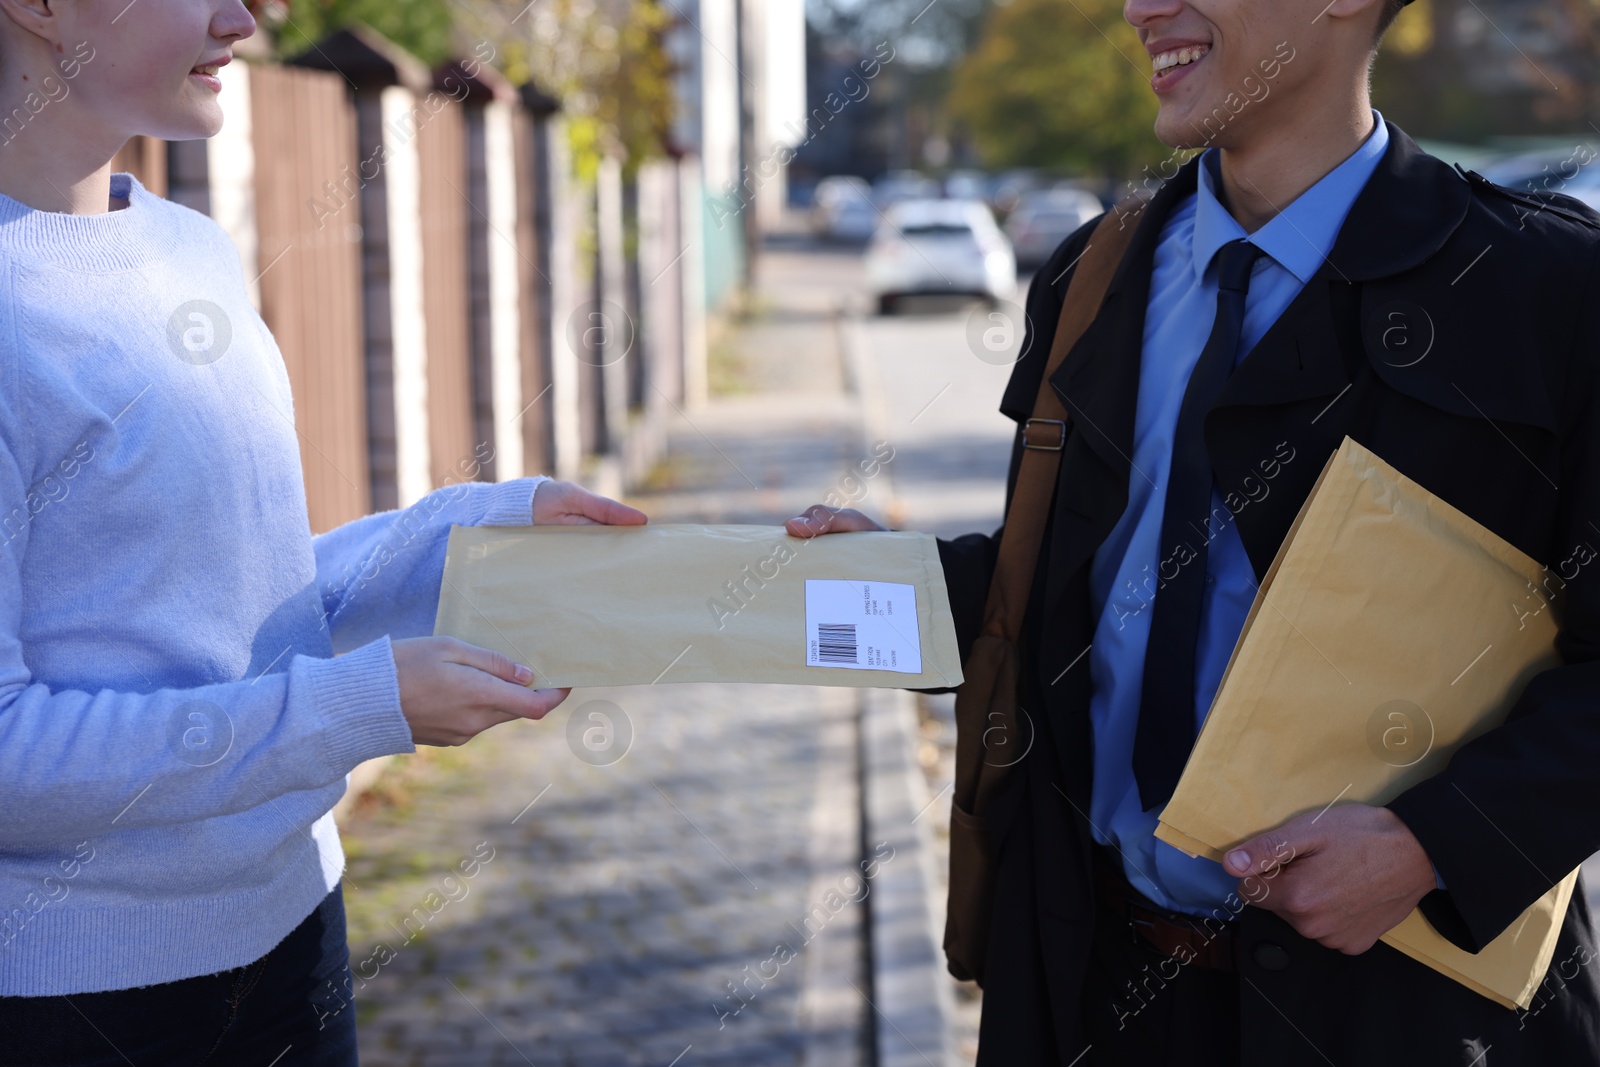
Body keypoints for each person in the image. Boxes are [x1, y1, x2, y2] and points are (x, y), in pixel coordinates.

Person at [791, 0, 1600, 1061]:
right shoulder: (1090, 275)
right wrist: (863, 593)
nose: (1140, 10)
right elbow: (1066, 593)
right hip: (1095, 987)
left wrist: (1433, 843)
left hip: (1411, 1015)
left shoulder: (1549, 289)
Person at [0, 0, 647, 1062]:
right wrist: (362, 704)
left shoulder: (187, 248)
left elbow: (244, 609)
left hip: (296, 930)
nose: (254, 14)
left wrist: (459, 530)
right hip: (88, 1001)